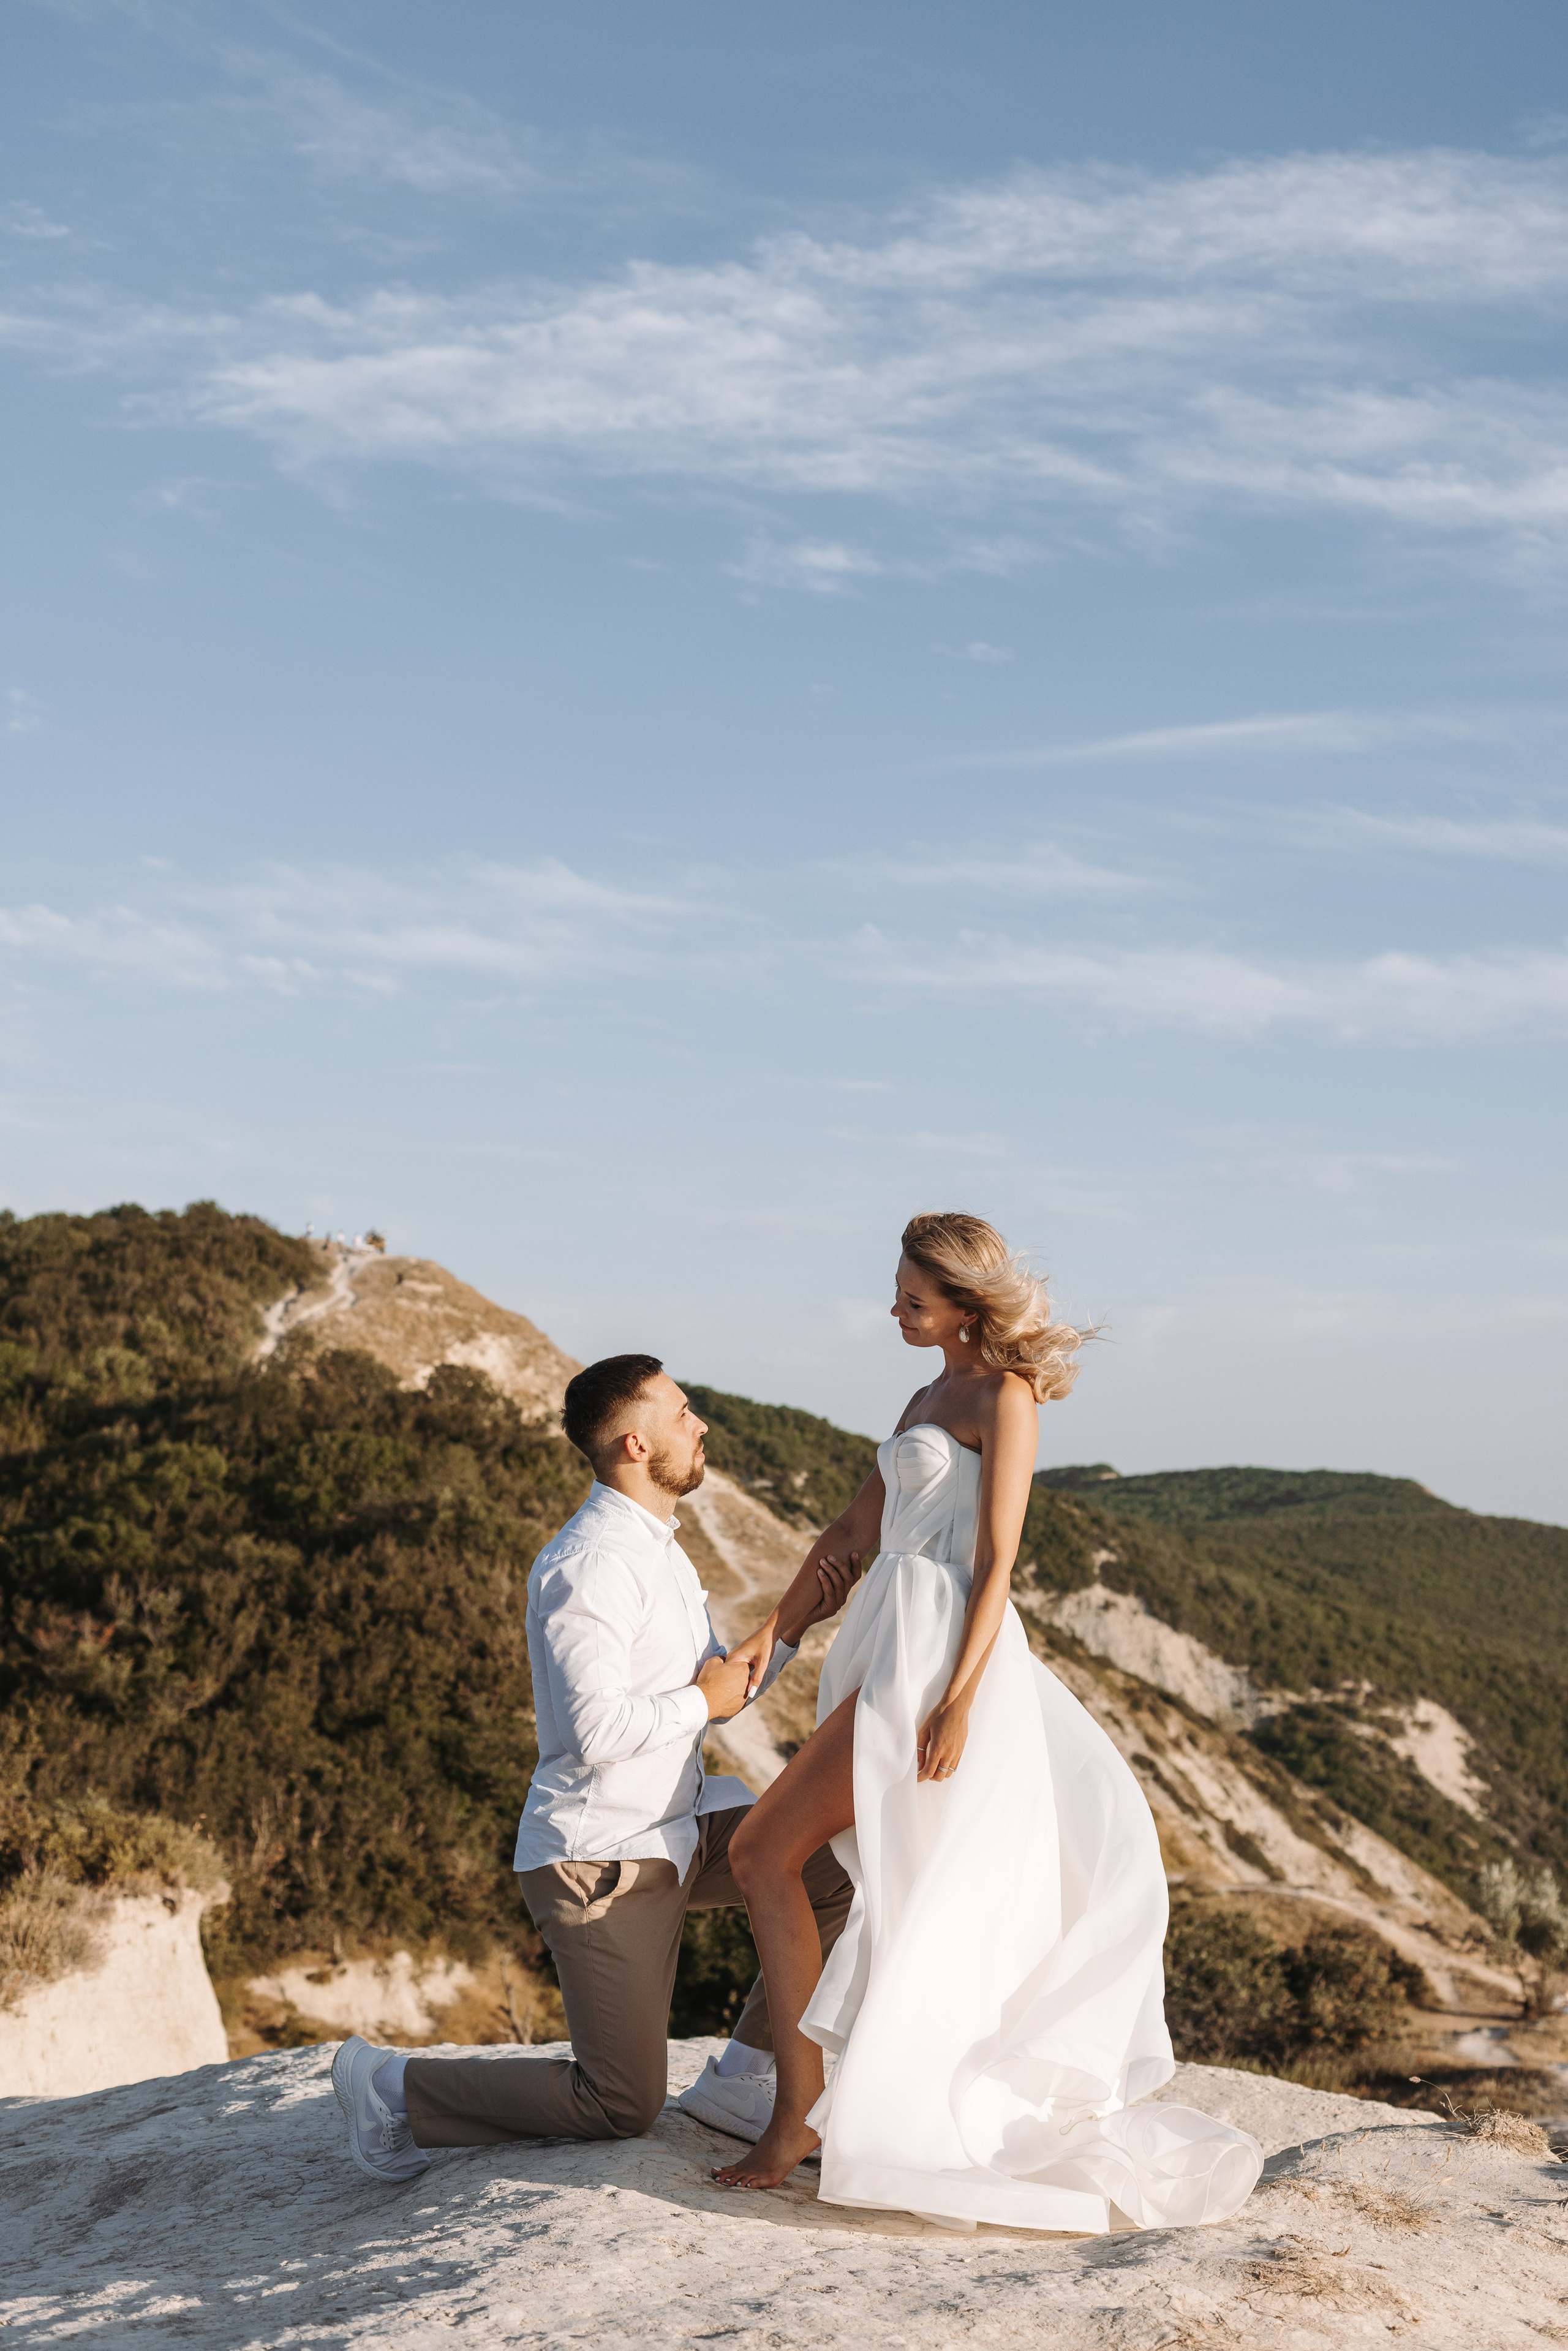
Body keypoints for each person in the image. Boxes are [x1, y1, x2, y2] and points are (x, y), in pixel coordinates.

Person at [708, 1213, 1264, 2233]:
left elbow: (1001, 1559)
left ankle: (798, 2116)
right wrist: (772, 1637)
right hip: (880, 1637)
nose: (894, 1311)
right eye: (898, 1293)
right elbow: (848, 1535)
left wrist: (959, 1697)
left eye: (913, 1299)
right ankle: (807, 2106)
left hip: (934, 1655)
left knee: (761, 1849)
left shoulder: (1007, 1397)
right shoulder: (924, 1394)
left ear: (966, 1305)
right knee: (804, 1860)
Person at [333, 1354, 854, 2183]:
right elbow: (596, 1730)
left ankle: (746, 2080)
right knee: (621, 2100)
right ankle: (392, 2082)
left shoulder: (661, 1552)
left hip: (676, 1824)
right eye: (683, 1412)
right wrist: (704, 1701)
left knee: (832, 1866)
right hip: (601, 1859)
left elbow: (715, 1685)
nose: (702, 1424)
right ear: (635, 1442)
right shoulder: (591, 1562)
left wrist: (795, 1626)